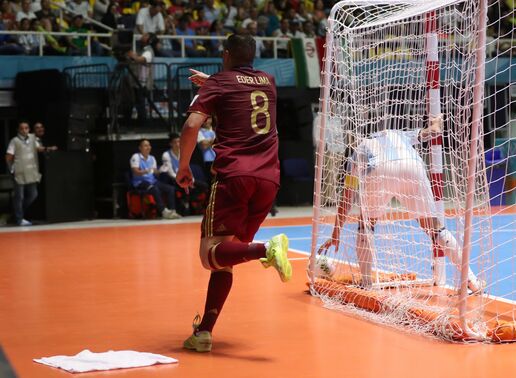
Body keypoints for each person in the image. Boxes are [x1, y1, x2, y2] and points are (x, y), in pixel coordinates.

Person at [176, 34, 292, 353]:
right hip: (268, 180)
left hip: (234, 177)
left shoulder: (219, 83)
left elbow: (191, 125)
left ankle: (266, 249)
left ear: (225, 54)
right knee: (226, 254)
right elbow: (238, 94)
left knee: (209, 255)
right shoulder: (268, 82)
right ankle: (204, 333)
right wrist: (214, 82)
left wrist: (183, 167)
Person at [319, 115, 486, 293]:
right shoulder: (400, 135)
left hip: (379, 170)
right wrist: (437, 120)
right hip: (412, 168)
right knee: (434, 227)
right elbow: (433, 131)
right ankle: (472, 281)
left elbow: (347, 196)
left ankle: (366, 283)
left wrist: (336, 232)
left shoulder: (360, 148)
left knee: (366, 224)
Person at [130, 139, 182, 219]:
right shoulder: (136, 157)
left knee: (170, 189)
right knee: (154, 189)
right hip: (141, 182)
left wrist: (161, 170)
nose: (148, 147)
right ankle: (163, 211)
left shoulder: (152, 158)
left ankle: (172, 211)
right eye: (145, 145)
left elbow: (155, 172)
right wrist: (146, 171)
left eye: (149, 145)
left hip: (152, 181)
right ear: (140, 148)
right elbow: (135, 171)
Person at [5, 121, 41, 226]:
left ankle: (17, 212)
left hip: (31, 172)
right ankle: (19, 219)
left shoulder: (33, 138)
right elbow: (8, 156)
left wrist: (47, 148)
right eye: (22, 128)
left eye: (26, 128)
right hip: (19, 172)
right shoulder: (14, 141)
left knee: (33, 194)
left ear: (29, 129)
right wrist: (12, 169)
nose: (24, 130)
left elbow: (38, 148)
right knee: (19, 196)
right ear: (18, 130)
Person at [196, 117, 215, 183]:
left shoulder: (216, 129)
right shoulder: (199, 132)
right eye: (205, 119)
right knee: (211, 182)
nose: (207, 121)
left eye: (209, 119)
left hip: (220, 158)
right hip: (208, 161)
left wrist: (209, 141)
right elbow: (204, 145)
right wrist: (216, 140)